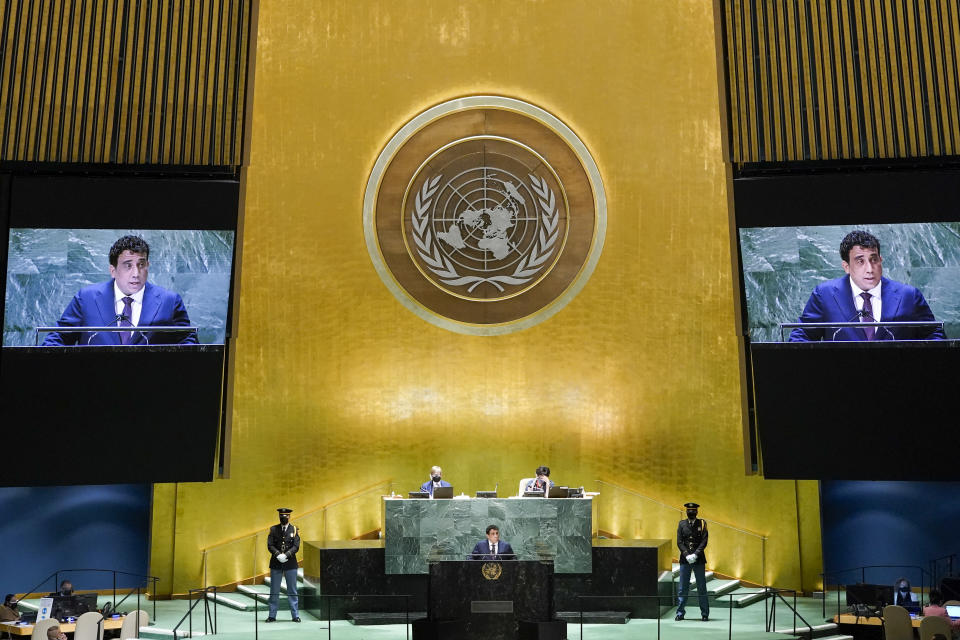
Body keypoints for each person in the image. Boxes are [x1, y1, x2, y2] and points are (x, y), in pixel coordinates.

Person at [789, 230, 945, 342]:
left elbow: (935, 335)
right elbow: (802, 335)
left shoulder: (908, 296)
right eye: (860, 261)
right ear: (846, 266)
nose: (870, 269)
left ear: (880, 260)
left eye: (874, 259)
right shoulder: (825, 295)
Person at [42, 235, 197, 346]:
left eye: (141, 265)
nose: (136, 273)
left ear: (148, 266)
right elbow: (59, 337)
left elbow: (189, 342)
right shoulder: (86, 298)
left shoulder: (169, 301)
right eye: (128, 265)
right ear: (113, 270)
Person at [675, 501, 709, 622]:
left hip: (698, 559)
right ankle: (680, 613)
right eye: (689, 511)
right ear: (686, 511)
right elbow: (679, 541)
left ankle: (704, 614)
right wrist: (686, 554)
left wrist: (696, 554)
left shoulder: (702, 523)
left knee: (701, 587)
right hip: (685, 560)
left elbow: (704, 541)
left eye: (693, 510)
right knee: (683, 587)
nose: (691, 512)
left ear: (697, 512)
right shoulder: (682, 524)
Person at [266, 507, 301, 623]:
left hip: (290, 563)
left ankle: (295, 615)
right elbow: (270, 545)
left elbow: (296, 546)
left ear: (289, 517)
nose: (283, 518)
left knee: (292, 590)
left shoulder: (294, 529)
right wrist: (277, 554)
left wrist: (286, 555)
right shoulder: (273, 529)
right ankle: (272, 615)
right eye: (281, 516)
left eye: (285, 516)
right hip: (276, 562)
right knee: (274, 590)